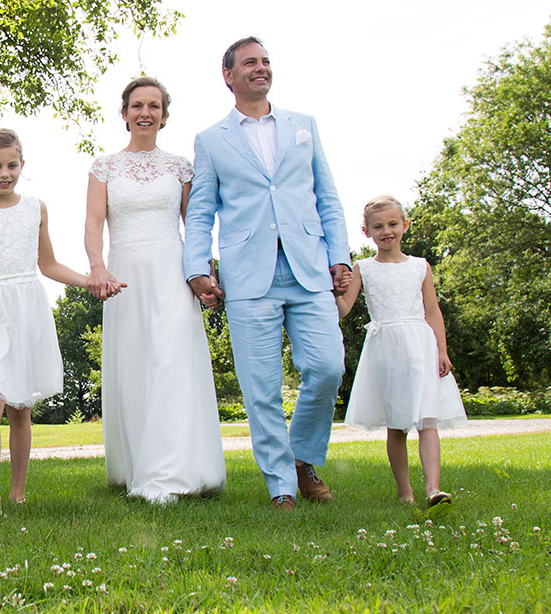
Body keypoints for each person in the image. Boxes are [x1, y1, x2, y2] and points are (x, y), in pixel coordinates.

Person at [182, 37, 352, 510]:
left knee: (327, 367)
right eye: (250, 62)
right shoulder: (212, 139)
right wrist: (196, 268)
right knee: (261, 387)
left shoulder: (305, 126)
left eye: (266, 61)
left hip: (309, 267)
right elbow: (200, 213)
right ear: (229, 75)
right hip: (247, 275)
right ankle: (282, 485)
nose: (261, 68)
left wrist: (341, 255)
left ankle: (302, 458)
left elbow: (328, 198)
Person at [85, 76, 225, 503]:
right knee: (136, 363)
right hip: (124, 275)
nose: (145, 112)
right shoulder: (103, 167)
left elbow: (195, 225)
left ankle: (171, 471)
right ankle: (136, 464)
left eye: (154, 106)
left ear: (164, 115)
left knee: (172, 361)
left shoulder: (180, 166)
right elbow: (93, 223)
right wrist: (97, 267)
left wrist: (203, 272)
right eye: (137, 105)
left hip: (171, 270)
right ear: (124, 112)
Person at [0, 128, 96, 517]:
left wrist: (90, 280)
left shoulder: (36, 208)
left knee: (20, 407)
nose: (4, 173)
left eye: (11, 165)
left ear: (22, 165)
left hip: (28, 307)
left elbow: (47, 265)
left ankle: (17, 492)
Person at [335, 195, 466, 508]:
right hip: (387, 349)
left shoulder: (420, 267)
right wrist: (334, 289)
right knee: (397, 424)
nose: (386, 231)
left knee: (427, 419)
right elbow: (344, 309)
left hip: (421, 345)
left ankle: (433, 489)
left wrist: (442, 350)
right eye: (378, 226)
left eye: (393, 224)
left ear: (405, 225)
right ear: (366, 231)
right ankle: (405, 492)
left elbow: (432, 311)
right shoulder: (362, 268)